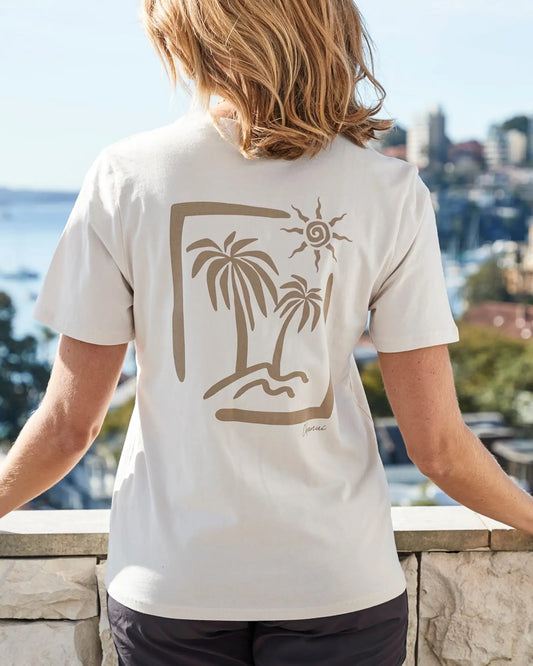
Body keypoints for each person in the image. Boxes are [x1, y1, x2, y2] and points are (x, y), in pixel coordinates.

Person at [1, 0, 533, 664]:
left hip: (173, 589)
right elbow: (439, 452)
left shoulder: (125, 177)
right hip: (338, 588)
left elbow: (66, 429)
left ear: (187, 40)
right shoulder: (390, 189)